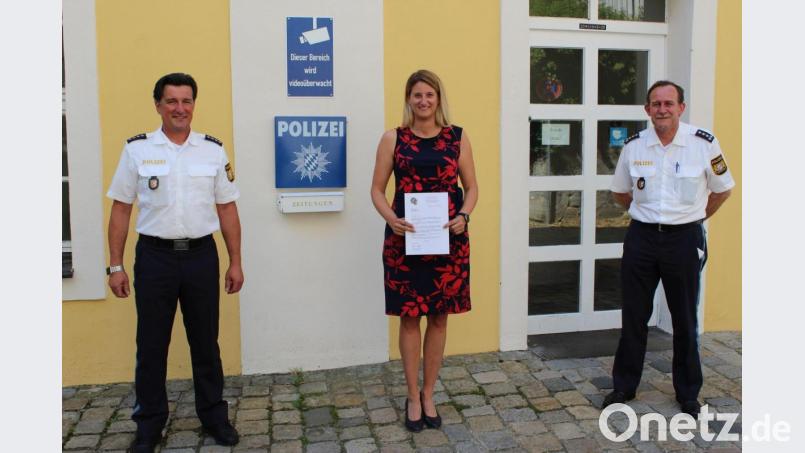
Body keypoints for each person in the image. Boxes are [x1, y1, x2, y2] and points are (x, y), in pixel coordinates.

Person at [106, 73, 243, 452]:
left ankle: (214, 416)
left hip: (201, 256)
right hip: (154, 259)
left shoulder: (212, 151)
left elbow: (227, 208)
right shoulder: (137, 150)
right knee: (151, 345)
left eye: (186, 101)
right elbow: (120, 208)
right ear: (158, 105)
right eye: (171, 101)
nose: (180, 108)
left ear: (194, 105)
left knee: (205, 343)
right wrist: (115, 265)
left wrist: (236, 262)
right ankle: (149, 423)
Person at [603, 80, 734, 417]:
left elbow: (722, 189)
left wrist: (694, 219)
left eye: (668, 103)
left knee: (685, 318)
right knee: (633, 316)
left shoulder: (703, 143)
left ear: (681, 108)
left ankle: (688, 393)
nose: (662, 109)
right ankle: (624, 386)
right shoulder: (635, 146)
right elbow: (620, 192)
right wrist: (645, 214)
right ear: (647, 109)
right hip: (642, 238)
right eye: (655, 104)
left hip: (683, 240)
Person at [370, 69, 478, 432]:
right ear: (408, 99)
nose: (423, 101)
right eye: (417, 95)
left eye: (429, 95)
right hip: (406, 240)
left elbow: (473, 187)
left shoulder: (457, 138)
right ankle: (412, 396)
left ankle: (430, 392)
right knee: (409, 316)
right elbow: (376, 190)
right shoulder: (393, 139)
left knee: (440, 316)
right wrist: (392, 218)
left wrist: (464, 215)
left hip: (448, 240)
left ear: (438, 99)